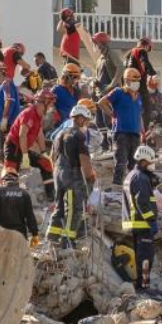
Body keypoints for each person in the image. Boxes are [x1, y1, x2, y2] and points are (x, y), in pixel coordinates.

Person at [49, 104, 97, 247]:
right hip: (72, 177)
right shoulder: (79, 135)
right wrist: (90, 176)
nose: (86, 123)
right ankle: (67, 242)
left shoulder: (59, 134)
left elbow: (51, 156)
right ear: (80, 118)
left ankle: (51, 238)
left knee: (59, 207)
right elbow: (84, 160)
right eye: (86, 120)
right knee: (74, 210)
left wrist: (58, 173)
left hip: (58, 174)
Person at [122, 145, 160, 291]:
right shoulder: (140, 178)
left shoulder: (132, 175)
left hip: (135, 224)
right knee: (145, 258)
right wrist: (151, 220)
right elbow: (142, 202)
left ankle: (140, 285)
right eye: (150, 162)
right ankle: (143, 288)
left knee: (140, 256)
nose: (152, 165)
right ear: (144, 161)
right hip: (143, 225)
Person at [5, 89, 56, 196]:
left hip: (23, 147)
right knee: (10, 174)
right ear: (44, 103)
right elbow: (22, 135)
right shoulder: (29, 114)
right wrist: (24, 155)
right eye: (50, 103)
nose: (52, 106)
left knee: (45, 163)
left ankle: (51, 195)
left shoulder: (39, 115)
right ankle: (8, 198)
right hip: (13, 146)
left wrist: (43, 152)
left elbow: (39, 134)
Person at [99, 68, 144, 184]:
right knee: (121, 162)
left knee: (134, 164)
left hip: (135, 134)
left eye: (138, 80)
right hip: (121, 133)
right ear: (127, 81)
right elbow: (102, 102)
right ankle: (116, 189)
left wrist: (142, 130)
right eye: (134, 80)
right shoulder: (118, 92)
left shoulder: (138, 96)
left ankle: (132, 187)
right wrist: (112, 114)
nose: (137, 83)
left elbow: (138, 114)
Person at [0, 171, 38, 243]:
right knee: (19, 253)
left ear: (3, 181)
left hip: (2, 231)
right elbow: (30, 216)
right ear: (17, 181)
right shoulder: (24, 194)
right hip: (19, 233)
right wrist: (34, 234)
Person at [0, 59, 21, 138]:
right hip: (6, 124)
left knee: (7, 149)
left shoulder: (6, 84)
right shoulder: (4, 85)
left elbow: (8, 100)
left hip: (8, 124)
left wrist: (4, 119)